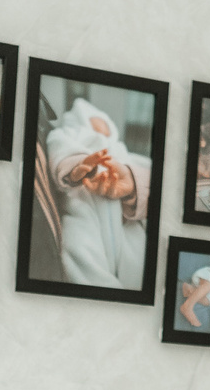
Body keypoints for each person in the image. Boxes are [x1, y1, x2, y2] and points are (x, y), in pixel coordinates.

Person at [46, 97, 151, 288]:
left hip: (125, 218)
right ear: (80, 120)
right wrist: (79, 166)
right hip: (84, 203)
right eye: (95, 122)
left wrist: (134, 181)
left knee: (138, 255)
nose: (102, 127)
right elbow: (59, 148)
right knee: (77, 246)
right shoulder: (73, 133)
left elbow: (147, 170)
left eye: (105, 124)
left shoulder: (121, 149)